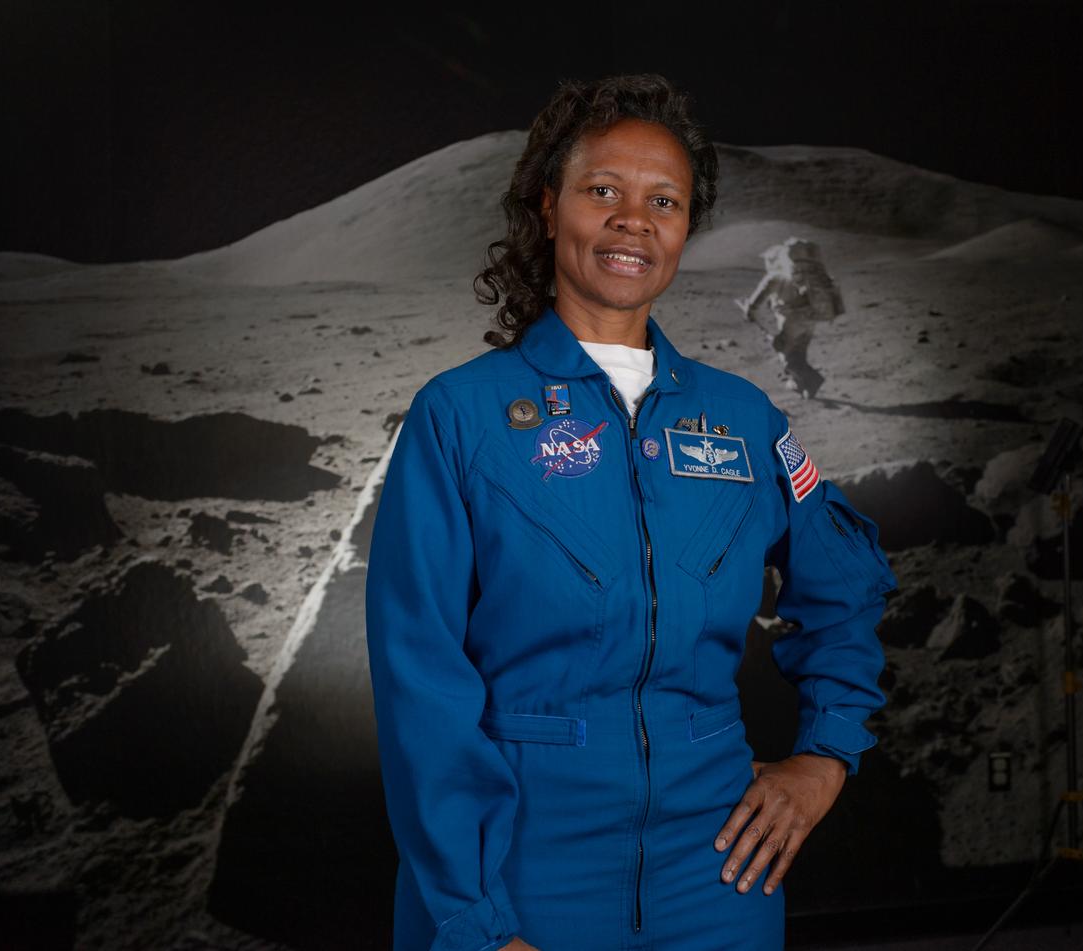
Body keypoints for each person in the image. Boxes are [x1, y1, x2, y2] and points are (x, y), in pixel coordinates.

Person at [364, 73, 897, 951]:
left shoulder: (741, 420)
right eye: (602, 190)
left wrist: (824, 756)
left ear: (685, 228)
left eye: (665, 200)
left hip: (719, 874)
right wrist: (475, 920)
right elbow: (420, 681)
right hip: (521, 872)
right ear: (548, 206)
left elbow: (844, 586)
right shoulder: (459, 417)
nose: (633, 220)